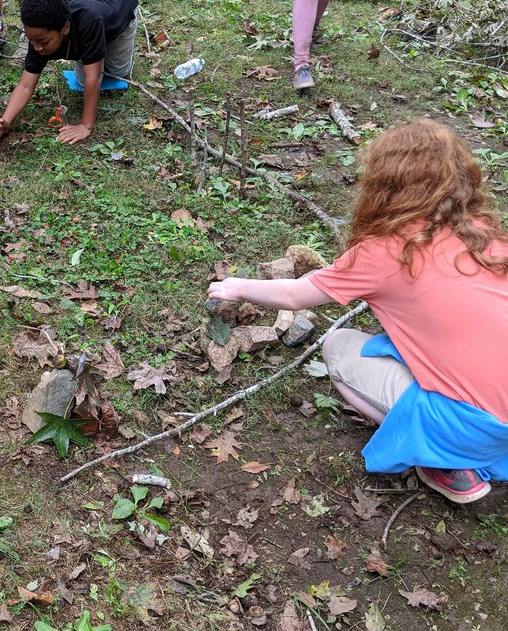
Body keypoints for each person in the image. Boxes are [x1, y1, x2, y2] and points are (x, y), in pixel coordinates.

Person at [208, 119, 508, 506]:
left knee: (338, 346)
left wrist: (236, 287)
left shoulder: (386, 251)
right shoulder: (484, 231)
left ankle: (443, 458)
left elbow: (293, 294)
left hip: (475, 427)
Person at [0, 0, 138, 147]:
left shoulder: (89, 21)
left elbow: (93, 78)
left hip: (121, 3)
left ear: (65, 28)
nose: (37, 48)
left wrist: (85, 125)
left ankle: (98, 50)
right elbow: (25, 85)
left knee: (115, 73)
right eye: (32, 41)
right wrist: (5, 120)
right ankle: (92, 51)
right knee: (82, 81)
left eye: (43, 42)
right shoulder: (39, 35)